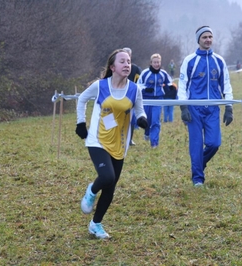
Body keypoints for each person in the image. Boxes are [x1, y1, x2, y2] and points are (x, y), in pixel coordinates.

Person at [75, 49, 148, 239]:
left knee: (110, 186)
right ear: (112, 67)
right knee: (106, 176)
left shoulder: (134, 89)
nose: (127, 65)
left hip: (120, 144)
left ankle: (95, 224)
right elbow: (82, 99)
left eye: (129, 61)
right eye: (122, 61)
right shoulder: (100, 86)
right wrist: (81, 123)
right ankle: (91, 191)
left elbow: (140, 110)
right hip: (97, 140)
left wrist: (142, 119)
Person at [178, 26, 234, 187]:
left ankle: (198, 165)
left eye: (210, 36)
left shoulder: (219, 60)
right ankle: (198, 179)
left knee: (214, 143)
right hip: (194, 109)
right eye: (204, 37)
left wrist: (228, 107)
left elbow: (226, 84)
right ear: (199, 40)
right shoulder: (190, 60)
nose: (208, 39)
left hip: (213, 109)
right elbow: (182, 85)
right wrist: (183, 107)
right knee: (196, 145)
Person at [138, 53, 175, 148]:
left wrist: (171, 88)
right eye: (155, 62)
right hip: (147, 99)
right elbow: (138, 85)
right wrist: (145, 89)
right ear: (151, 63)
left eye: (158, 62)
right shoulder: (145, 73)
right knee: (148, 121)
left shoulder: (163, 73)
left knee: (155, 121)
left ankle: (154, 143)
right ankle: (147, 133)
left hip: (158, 100)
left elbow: (169, 82)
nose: (156, 64)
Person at [123, 47, 142, 146]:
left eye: (128, 55)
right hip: (118, 94)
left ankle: (129, 139)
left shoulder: (135, 68)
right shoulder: (116, 66)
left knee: (131, 118)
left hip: (131, 96)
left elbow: (139, 82)